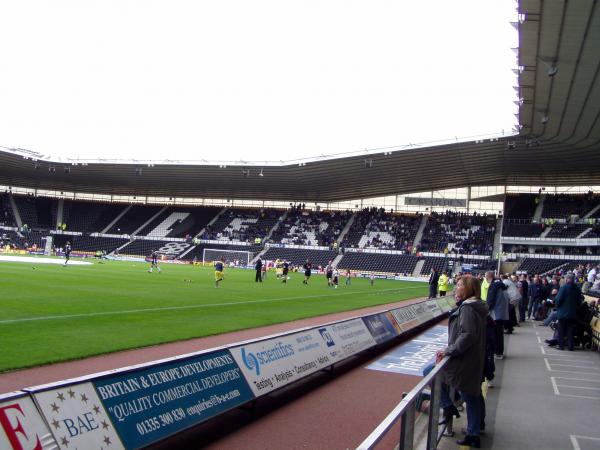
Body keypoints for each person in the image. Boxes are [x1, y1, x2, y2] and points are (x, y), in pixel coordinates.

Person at [437, 275, 488, 448]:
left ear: (467, 289)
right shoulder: (476, 306)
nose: (456, 287)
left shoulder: (467, 308)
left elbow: (467, 335)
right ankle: (475, 428)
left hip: (464, 361)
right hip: (472, 359)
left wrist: (449, 351)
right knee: (473, 396)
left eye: (459, 285)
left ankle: (450, 408)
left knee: (432, 373)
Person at [555, 274, 583, 351]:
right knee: (570, 331)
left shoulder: (563, 288)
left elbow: (558, 299)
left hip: (563, 313)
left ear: (567, 279)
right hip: (572, 313)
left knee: (561, 330)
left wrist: (557, 306)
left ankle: (561, 346)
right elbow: (579, 301)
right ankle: (570, 346)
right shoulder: (577, 289)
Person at [486, 272, 508, 359]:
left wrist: (486, 309)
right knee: (499, 333)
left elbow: (490, 300)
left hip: (496, 313)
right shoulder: (499, 284)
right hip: (500, 312)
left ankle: (498, 352)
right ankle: (499, 351)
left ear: (488, 277)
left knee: (496, 333)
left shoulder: (493, 286)